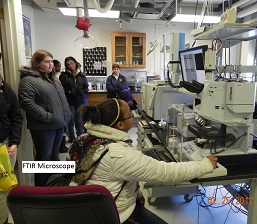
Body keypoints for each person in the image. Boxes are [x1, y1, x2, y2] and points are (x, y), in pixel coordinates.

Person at [69, 98, 218, 224]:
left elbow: (68, 167)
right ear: (119, 125)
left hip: (90, 207)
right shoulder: (119, 155)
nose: (133, 117)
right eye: (130, 115)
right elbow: (166, 172)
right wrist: (203, 165)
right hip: (117, 214)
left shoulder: (84, 139)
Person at [18, 49, 71, 186]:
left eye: (51, 61)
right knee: (44, 158)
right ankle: (41, 190)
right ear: (37, 63)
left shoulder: (53, 79)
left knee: (55, 156)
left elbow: (62, 99)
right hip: (43, 127)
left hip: (58, 124)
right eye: (46, 61)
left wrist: (66, 116)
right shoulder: (28, 80)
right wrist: (47, 117)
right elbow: (26, 102)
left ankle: (54, 185)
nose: (51, 64)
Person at [0, 52, 23, 224]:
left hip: (6, 146)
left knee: (4, 187)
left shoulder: (6, 89)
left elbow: (16, 116)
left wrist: (14, 142)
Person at [59, 57, 88, 143]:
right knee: (70, 120)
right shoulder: (63, 76)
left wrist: (83, 91)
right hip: (69, 101)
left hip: (80, 100)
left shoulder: (82, 75)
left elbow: (86, 87)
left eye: (72, 63)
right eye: (68, 65)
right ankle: (72, 137)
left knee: (79, 120)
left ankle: (80, 138)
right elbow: (61, 88)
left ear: (75, 63)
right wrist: (69, 91)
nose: (71, 66)